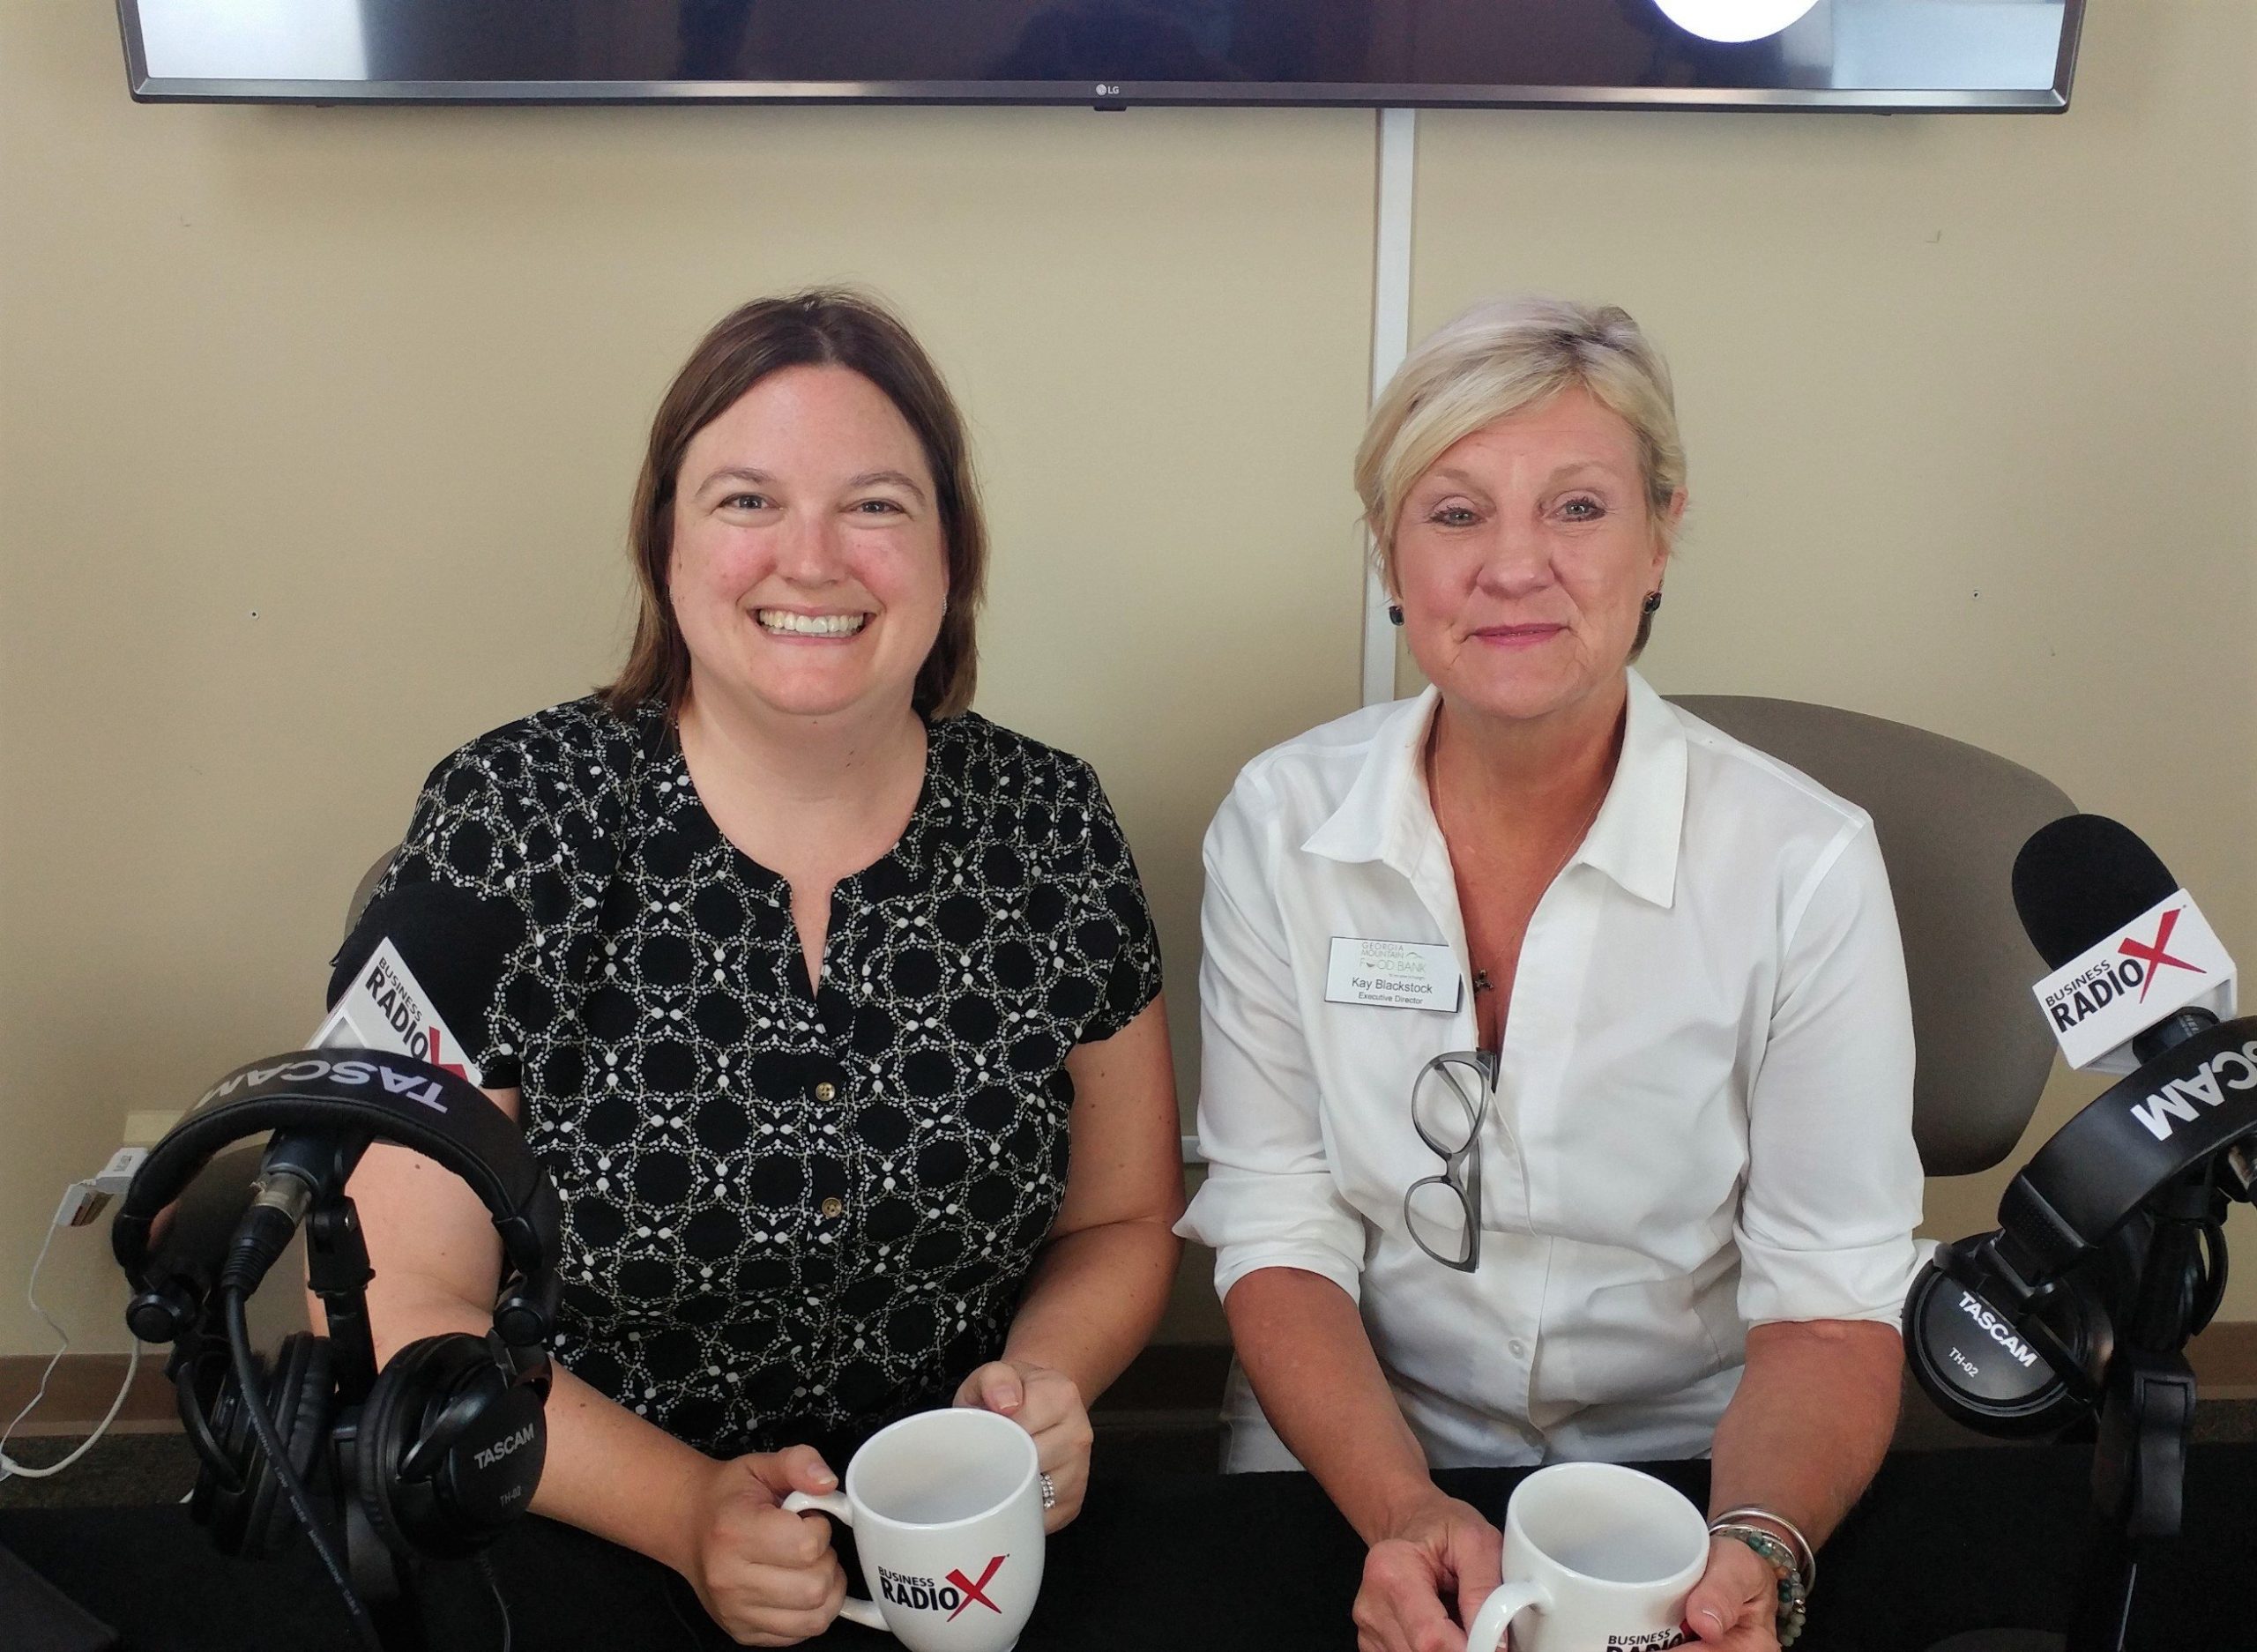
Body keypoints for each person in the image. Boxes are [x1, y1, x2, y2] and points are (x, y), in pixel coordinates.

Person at [327, 290, 1183, 1646]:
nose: (813, 557)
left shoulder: (1054, 825)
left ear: (951, 553)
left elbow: (1122, 1220)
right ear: (665, 543)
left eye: (878, 506)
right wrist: (683, 1509)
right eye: (745, 500)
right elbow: (385, 1291)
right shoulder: (503, 821)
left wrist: (1041, 1385)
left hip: (952, 1549)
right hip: (578, 1525)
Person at [1177, 297, 1922, 1652]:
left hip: (1691, 1470)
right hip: (1354, 1454)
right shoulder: (1280, 827)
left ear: (1660, 536)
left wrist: (1754, 1547)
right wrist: (1403, 1505)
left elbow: (1826, 1302)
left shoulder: (1804, 861)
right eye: (1455, 513)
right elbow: (1279, 1228)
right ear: (1390, 554)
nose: (1512, 567)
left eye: (1577, 508)